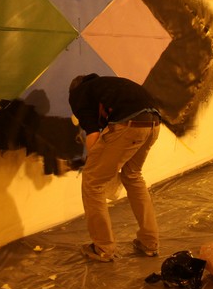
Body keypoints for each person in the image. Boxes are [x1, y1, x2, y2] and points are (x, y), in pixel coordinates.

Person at [68, 73, 161, 261]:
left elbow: (93, 134)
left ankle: (103, 248)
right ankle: (149, 242)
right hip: (154, 123)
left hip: (129, 124)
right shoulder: (106, 86)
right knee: (133, 175)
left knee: (92, 182)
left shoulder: (79, 94)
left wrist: (94, 164)